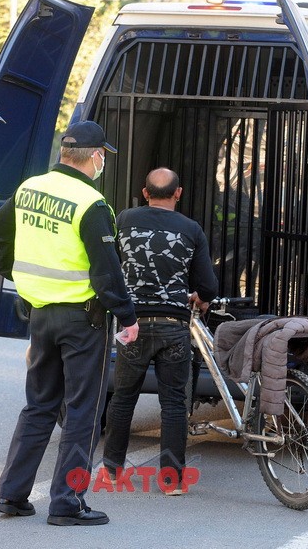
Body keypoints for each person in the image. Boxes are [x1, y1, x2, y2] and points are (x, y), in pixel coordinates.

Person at [0, 121, 139, 525]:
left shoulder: (28, 189)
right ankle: (67, 503)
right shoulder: (91, 203)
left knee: (39, 405)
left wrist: (14, 275)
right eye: (103, 156)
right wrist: (127, 316)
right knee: (82, 411)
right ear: (95, 156)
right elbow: (107, 271)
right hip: (84, 321)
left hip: (40, 314)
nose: (102, 162)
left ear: (64, 152)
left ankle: (11, 494)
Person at [103, 168, 218, 494]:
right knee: (174, 404)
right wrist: (200, 298)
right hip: (174, 327)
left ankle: (111, 471)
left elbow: (111, 264)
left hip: (133, 325)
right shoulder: (191, 230)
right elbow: (208, 286)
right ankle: (171, 480)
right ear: (178, 193)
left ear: (145, 192)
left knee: (123, 398)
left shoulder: (125, 220)